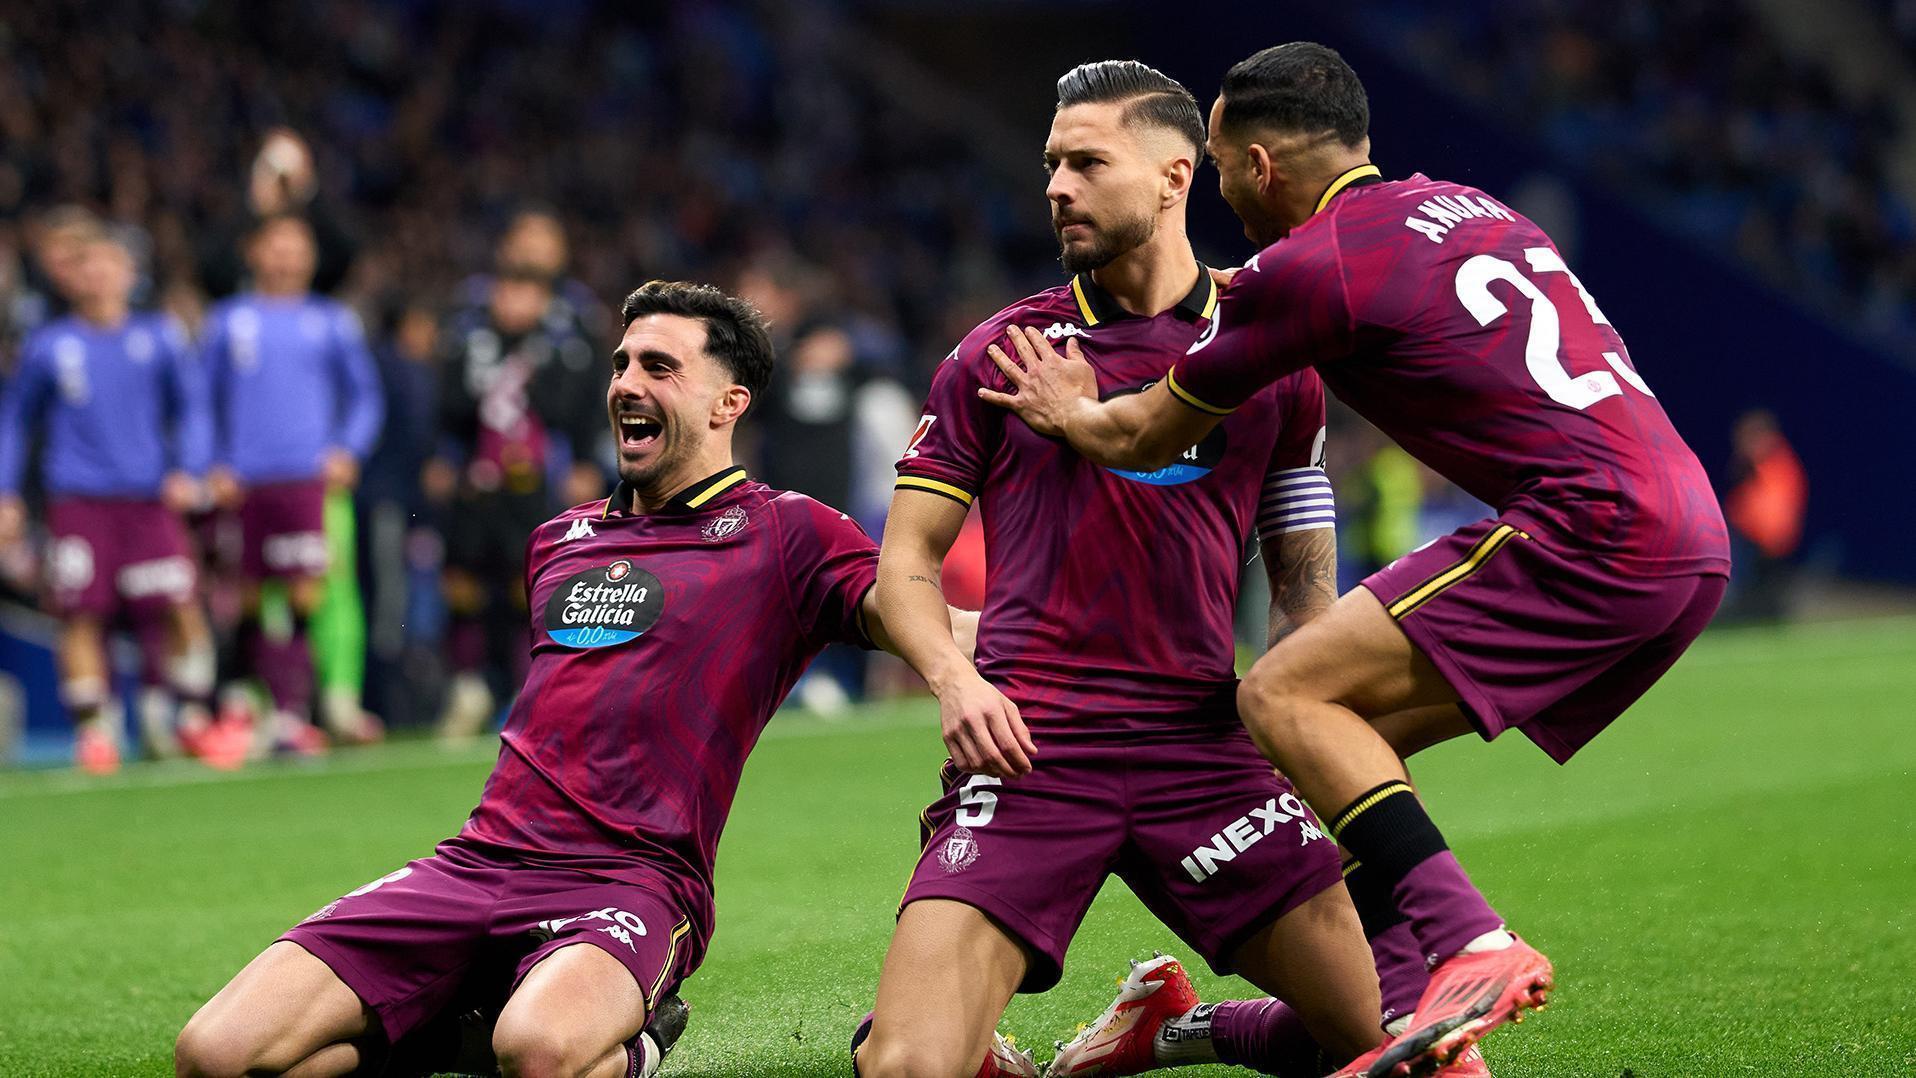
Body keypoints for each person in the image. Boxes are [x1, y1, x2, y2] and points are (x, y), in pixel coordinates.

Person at [981, 43, 1729, 1078]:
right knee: (1339, 740)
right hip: (1686, 535)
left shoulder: (1306, 266)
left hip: (1585, 524)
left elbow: (1141, 437)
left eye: (1216, 163)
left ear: (1257, 163)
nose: (1218, 189)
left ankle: (1472, 942)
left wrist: (1070, 409)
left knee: (1280, 694)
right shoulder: (1472, 209)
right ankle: (1212, 1029)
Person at [174, 280, 978, 1078]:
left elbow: (916, 613)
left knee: (540, 1050)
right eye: (622, 363)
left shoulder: (786, 533)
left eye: (659, 367)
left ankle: (637, 1040)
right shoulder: (558, 539)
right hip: (478, 861)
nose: (626, 383)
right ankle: (449, 1032)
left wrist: (1056, 646)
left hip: (635, 878)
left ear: (726, 404)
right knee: (214, 1055)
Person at [853, 62, 1388, 1078]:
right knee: (902, 1069)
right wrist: (955, 679)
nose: (1055, 185)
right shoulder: (998, 356)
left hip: (1204, 752)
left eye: (1086, 162)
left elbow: (1302, 585)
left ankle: (1183, 1028)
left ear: (1173, 175)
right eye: (1051, 162)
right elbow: (905, 563)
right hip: (1030, 751)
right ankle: (933, 1031)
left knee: (1392, 1039)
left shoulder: (1268, 350)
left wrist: (1306, 729)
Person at [0, 230, 217, 773]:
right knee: (80, 612)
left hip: (147, 499)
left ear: (129, 273)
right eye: (86, 267)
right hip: (78, 501)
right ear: (73, 280)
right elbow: (15, 421)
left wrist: (188, 470)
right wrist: (6, 493)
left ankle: (187, 718)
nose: (97, 276)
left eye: (108, 264)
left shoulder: (159, 337)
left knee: (179, 604)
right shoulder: (52, 345)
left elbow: (191, 408)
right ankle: (95, 731)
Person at [201, 214, 384, 752]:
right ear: (254, 252)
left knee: (306, 589)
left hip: (308, 479)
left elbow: (365, 396)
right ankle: (247, 704)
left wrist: (348, 449)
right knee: (251, 594)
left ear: (310, 258)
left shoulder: (332, 321)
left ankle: (291, 710)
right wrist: (213, 460)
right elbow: (200, 401)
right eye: (275, 245)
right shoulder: (227, 321)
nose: (286, 256)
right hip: (245, 481)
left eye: (296, 247)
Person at [430, 264, 606, 739]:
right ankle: (468, 688)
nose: (514, 303)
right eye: (507, 292)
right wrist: (444, 455)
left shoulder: (561, 351)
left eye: (526, 294)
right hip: (477, 485)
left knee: (527, 587)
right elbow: (449, 407)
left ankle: (527, 693)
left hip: (533, 486)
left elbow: (579, 409)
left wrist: (584, 462)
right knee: (463, 584)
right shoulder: (470, 344)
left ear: (544, 302)